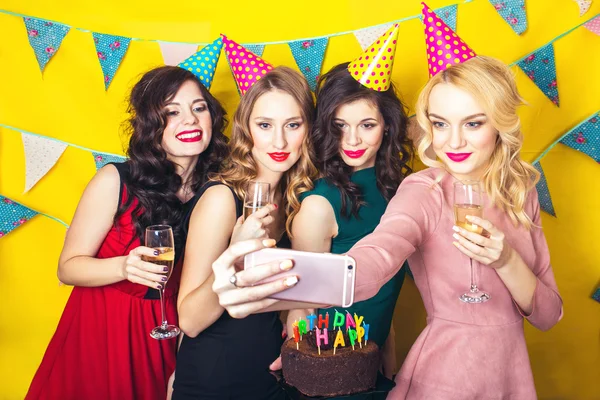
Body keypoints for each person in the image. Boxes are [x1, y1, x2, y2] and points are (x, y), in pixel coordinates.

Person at [207, 55, 564, 399]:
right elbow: (377, 256)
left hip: (512, 375)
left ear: (500, 122)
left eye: (473, 123)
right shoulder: (423, 191)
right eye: (440, 124)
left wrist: (505, 261)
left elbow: (548, 316)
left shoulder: (522, 191)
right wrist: (261, 287)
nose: (452, 142)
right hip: (445, 376)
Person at [25, 65, 229, 400]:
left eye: (198, 107)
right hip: (101, 335)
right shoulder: (115, 180)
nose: (190, 120)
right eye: (172, 111)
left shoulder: (217, 194)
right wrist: (123, 267)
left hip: (167, 338)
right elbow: (68, 267)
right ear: (151, 125)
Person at [172, 63, 317, 400]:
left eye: (292, 125)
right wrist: (235, 256)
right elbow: (190, 320)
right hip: (216, 379)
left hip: (272, 378)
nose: (279, 140)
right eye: (265, 125)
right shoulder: (222, 198)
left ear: (308, 130)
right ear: (246, 130)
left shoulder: (299, 200)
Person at [290, 60, 413, 380]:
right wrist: (310, 376)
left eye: (367, 125)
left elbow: (383, 285)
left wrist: (388, 352)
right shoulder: (319, 206)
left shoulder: (399, 189)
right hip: (331, 364)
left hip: (375, 358)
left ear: (387, 124)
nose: (353, 140)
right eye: (340, 125)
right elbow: (300, 306)